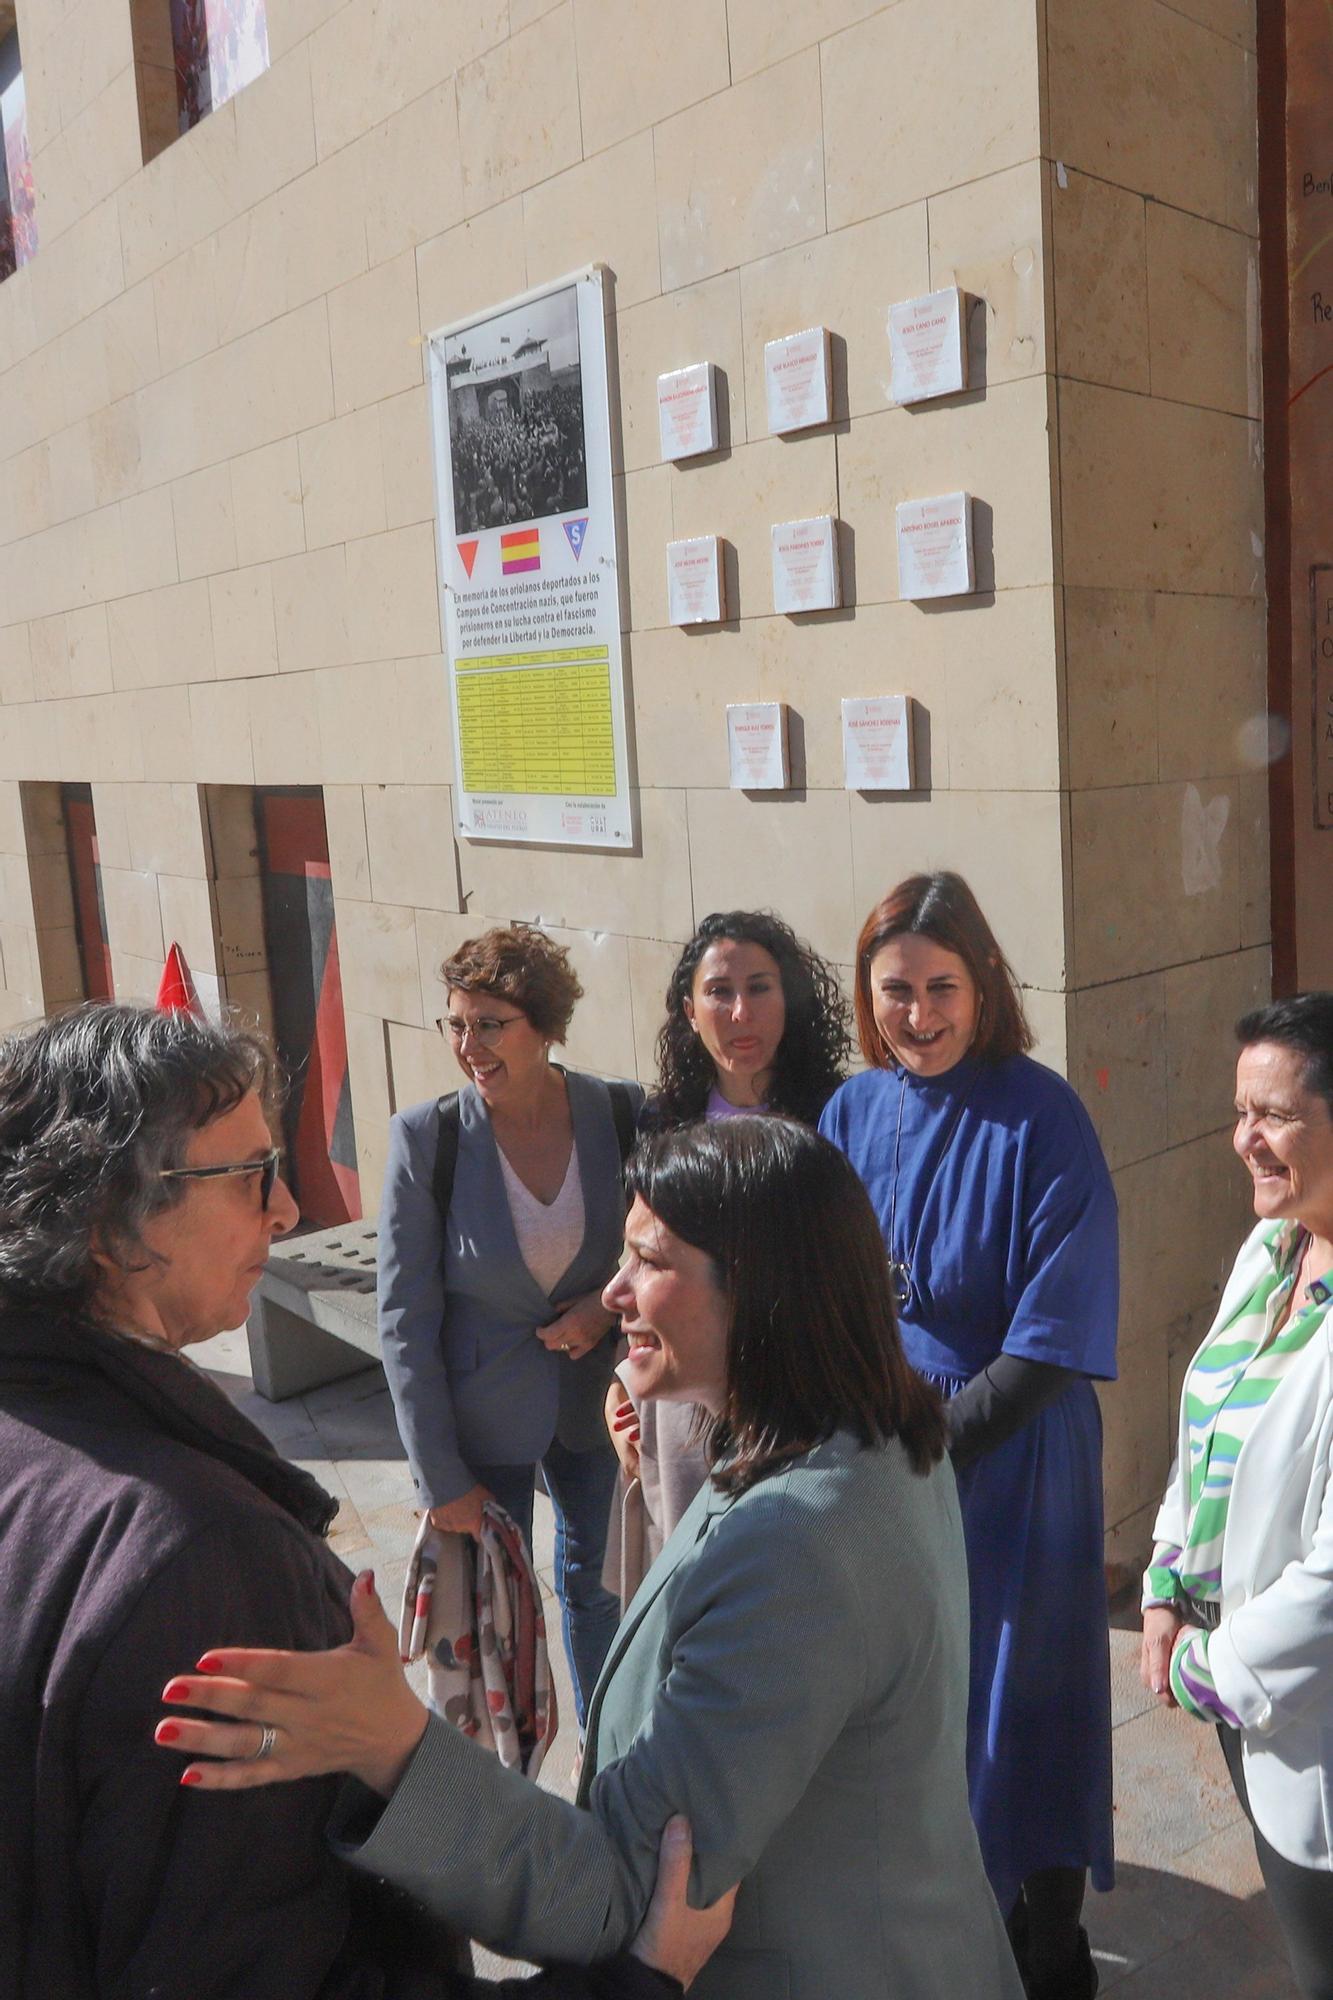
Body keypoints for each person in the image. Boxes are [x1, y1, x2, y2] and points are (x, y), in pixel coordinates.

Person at [158, 1118, 1025, 2000]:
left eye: (649, 1261)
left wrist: (393, 1743)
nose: (612, 1291)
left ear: (759, 1291)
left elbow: (622, 1889)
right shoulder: (865, 1433)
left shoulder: (795, 1544)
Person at [0, 1001, 725, 1998]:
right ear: (117, 1217)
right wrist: (629, 1983)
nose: (288, 1207)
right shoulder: (196, 1556)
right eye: (250, 1171)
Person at [819, 871, 1118, 2000]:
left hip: (1014, 1450)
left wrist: (926, 1440)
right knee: (917, 1693)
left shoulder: (1044, 1114)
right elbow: (826, 1288)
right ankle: (935, 1918)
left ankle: (1047, 1942)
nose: (919, 1013)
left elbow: (1053, 1332)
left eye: (942, 985)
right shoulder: (850, 1110)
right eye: (895, 988)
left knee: (1022, 1695)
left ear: (984, 983)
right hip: (888, 1443)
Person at [377, 926, 643, 1723]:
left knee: (598, 1585)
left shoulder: (622, 1114)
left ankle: (605, 1753)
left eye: (490, 1024)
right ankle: (506, 1786)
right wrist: (437, 1473)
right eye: (455, 1023)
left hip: (597, 1407)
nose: (468, 1045)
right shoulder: (429, 1139)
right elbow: (404, 1314)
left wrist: (604, 1304)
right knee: (492, 1611)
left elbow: (659, 1248)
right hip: (481, 1418)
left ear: (548, 1025)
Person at [1140, 994, 1333, 2000]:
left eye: (1274, 1114)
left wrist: (1213, 1664)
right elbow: (1204, 1434)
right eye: (1238, 1111)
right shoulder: (1271, 1251)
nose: (1244, 1139)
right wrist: (1166, 1581)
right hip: (1238, 1682)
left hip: (1300, 1699)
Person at [604, 911, 850, 1591]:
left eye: (760, 987)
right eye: (718, 991)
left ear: (790, 999)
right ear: (689, 1010)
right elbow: (640, 1263)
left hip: (797, 1401)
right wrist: (623, 1380)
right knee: (685, 1580)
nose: (740, 1012)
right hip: (684, 1403)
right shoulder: (665, 1121)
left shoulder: (835, 1114)